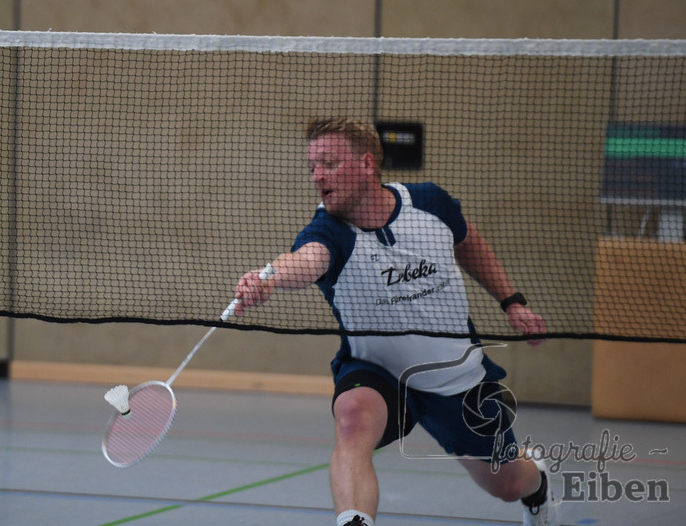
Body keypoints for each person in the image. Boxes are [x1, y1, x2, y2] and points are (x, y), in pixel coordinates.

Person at [233, 118, 560, 526]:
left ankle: (538, 483)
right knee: (351, 418)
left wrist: (511, 301)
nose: (317, 176)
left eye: (329, 163)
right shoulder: (329, 231)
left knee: (508, 485)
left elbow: (468, 241)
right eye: (312, 166)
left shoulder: (430, 204)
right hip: (378, 373)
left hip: (455, 378)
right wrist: (269, 280)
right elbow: (304, 261)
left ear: (367, 165)